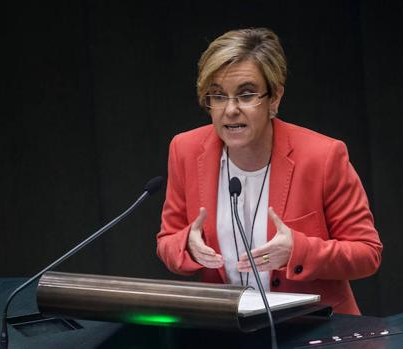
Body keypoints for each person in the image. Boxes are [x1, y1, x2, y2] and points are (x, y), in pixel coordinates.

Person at [156, 28, 382, 315]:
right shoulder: (185, 150)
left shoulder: (323, 156)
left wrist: (297, 250)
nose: (231, 110)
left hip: (312, 327)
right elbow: (167, 241)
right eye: (218, 96)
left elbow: (367, 253)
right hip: (227, 329)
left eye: (246, 94)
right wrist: (187, 244)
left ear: (274, 98)